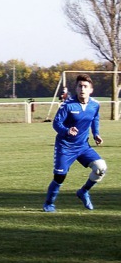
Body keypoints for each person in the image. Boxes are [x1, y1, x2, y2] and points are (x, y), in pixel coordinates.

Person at [43, 74, 106, 212]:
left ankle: (83, 192)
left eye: (85, 86)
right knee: (60, 177)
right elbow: (56, 123)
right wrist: (66, 130)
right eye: (79, 86)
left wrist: (96, 134)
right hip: (65, 146)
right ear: (76, 89)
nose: (82, 89)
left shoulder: (95, 105)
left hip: (83, 146)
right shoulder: (68, 105)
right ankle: (49, 204)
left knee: (101, 168)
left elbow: (95, 119)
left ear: (91, 89)